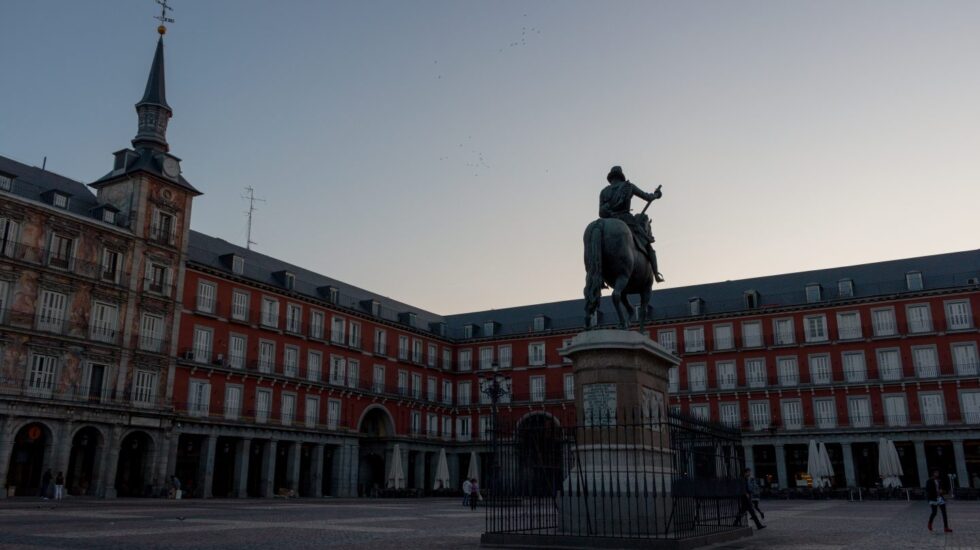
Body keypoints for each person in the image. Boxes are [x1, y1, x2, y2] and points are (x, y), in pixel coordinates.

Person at [598, 165, 665, 282]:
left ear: (611, 178)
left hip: (607, 220)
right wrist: (657, 194)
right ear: (621, 176)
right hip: (626, 220)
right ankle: (656, 274)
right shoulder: (628, 186)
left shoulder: (604, 192)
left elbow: (601, 212)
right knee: (649, 246)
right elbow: (647, 197)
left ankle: (600, 277)